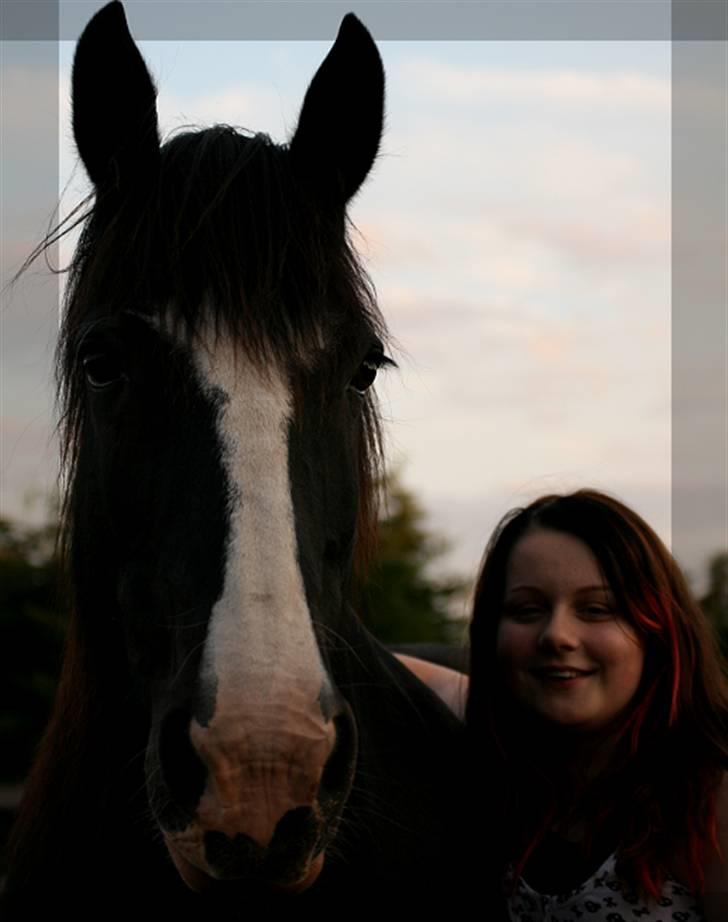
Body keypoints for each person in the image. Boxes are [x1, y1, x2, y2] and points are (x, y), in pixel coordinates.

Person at [399, 489, 728, 920]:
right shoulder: (507, 765)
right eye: (526, 609)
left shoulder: (708, 796)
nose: (557, 635)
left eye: (595, 609)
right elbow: (395, 670)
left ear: (659, 632)